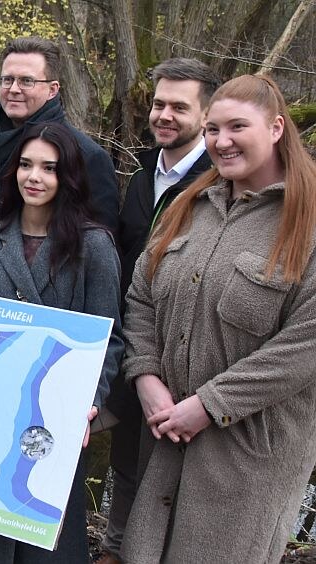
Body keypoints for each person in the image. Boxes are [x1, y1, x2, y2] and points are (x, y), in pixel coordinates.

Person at [121, 75, 316, 563]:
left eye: (237, 127)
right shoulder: (189, 206)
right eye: (212, 129)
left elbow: (305, 344)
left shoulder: (307, 219)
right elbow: (142, 296)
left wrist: (209, 405)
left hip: (248, 456)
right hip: (165, 438)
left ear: (275, 128)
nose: (221, 142)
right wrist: (145, 377)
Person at [0, 122, 124, 562]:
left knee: (43, 541)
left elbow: (109, 340)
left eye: (49, 168)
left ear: (69, 177)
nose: (34, 176)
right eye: (25, 164)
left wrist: (87, 406)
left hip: (53, 417)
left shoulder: (94, 246)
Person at [99, 57, 219, 564]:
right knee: (127, 456)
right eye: (158, 103)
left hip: (191, 345)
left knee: (174, 470)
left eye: (179, 107)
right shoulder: (147, 169)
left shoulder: (220, 178)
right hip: (134, 335)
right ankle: (116, 548)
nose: (164, 115)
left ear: (206, 114)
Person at [0, 37, 119, 230]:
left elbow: (100, 246)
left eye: (26, 81)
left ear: (52, 90)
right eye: (7, 80)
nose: (13, 89)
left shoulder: (86, 156)